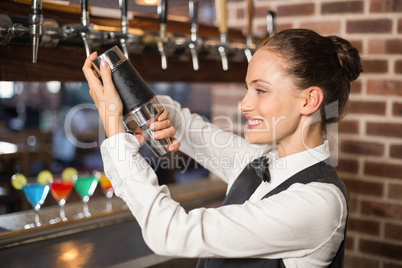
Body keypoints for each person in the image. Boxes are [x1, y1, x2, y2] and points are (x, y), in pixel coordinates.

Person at [82, 28, 362, 267]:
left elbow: (170, 233)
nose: (244, 105)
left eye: (260, 90)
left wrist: (113, 125)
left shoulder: (318, 203)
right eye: (247, 89)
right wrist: (151, 109)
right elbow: (186, 124)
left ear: (309, 101)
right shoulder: (258, 160)